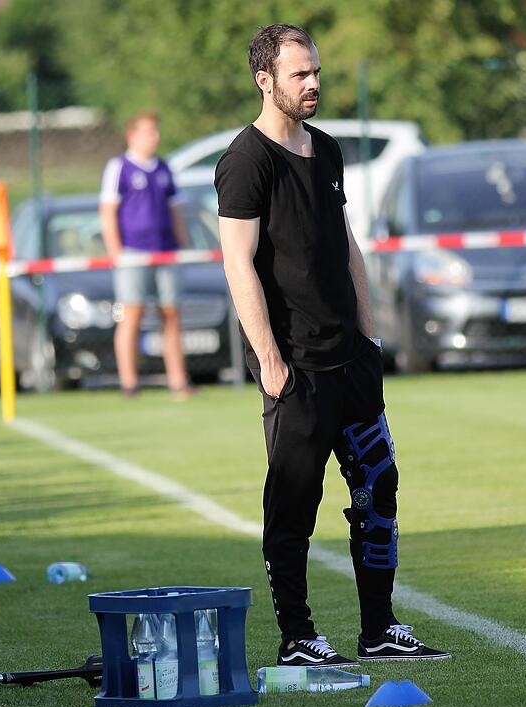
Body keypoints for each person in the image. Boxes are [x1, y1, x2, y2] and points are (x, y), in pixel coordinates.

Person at [214, 24, 449, 665]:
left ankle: (379, 630)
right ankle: (298, 638)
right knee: (293, 505)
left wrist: (369, 336)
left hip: (352, 362)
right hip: (297, 368)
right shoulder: (245, 161)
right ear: (265, 80)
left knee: (379, 485)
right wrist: (271, 364)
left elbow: (346, 245)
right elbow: (238, 264)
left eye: (316, 71)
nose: (313, 83)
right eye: (299, 74)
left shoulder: (327, 149)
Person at [100, 110, 195, 399]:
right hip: (133, 253)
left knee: (171, 315)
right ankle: (129, 382)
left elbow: (175, 211)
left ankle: (178, 382)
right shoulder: (119, 167)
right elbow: (108, 212)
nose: (155, 137)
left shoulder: (164, 168)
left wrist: (183, 247)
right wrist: (116, 252)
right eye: (149, 132)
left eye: (156, 131)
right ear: (132, 135)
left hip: (166, 252)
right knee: (132, 314)